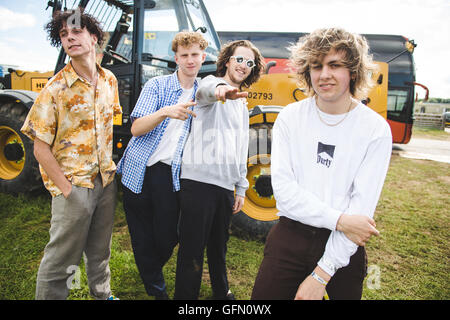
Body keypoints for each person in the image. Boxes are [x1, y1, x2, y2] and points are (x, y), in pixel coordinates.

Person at [251, 28, 393, 300]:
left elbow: (360, 211)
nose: (324, 74)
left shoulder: (375, 129)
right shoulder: (290, 118)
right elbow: (284, 194)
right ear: (307, 71)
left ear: (352, 71)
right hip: (289, 237)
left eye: (335, 65)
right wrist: (341, 220)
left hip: (344, 248)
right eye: (316, 66)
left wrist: (322, 274)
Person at [21, 10, 121, 300]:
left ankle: (102, 294)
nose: (70, 38)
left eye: (76, 31)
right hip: (74, 187)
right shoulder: (54, 89)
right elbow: (40, 148)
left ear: (93, 37)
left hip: (105, 181)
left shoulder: (109, 81)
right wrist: (67, 190)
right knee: (61, 261)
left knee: (100, 250)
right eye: (64, 34)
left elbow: (108, 127)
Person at [116, 31, 208, 300]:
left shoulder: (204, 94)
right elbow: (136, 128)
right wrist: (165, 111)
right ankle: (158, 291)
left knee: (168, 236)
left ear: (203, 57)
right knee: (142, 236)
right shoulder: (157, 85)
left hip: (170, 174)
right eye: (184, 55)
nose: (190, 60)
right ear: (176, 58)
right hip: (139, 170)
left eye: (195, 55)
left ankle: (148, 269)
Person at [174, 40, 265, 300]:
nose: (244, 66)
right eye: (239, 59)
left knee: (219, 247)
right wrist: (223, 89)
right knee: (192, 249)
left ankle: (221, 293)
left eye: (250, 63)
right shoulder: (210, 84)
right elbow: (208, 90)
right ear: (227, 61)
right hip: (199, 182)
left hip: (225, 186)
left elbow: (240, 147)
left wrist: (240, 187)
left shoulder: (241, 105)